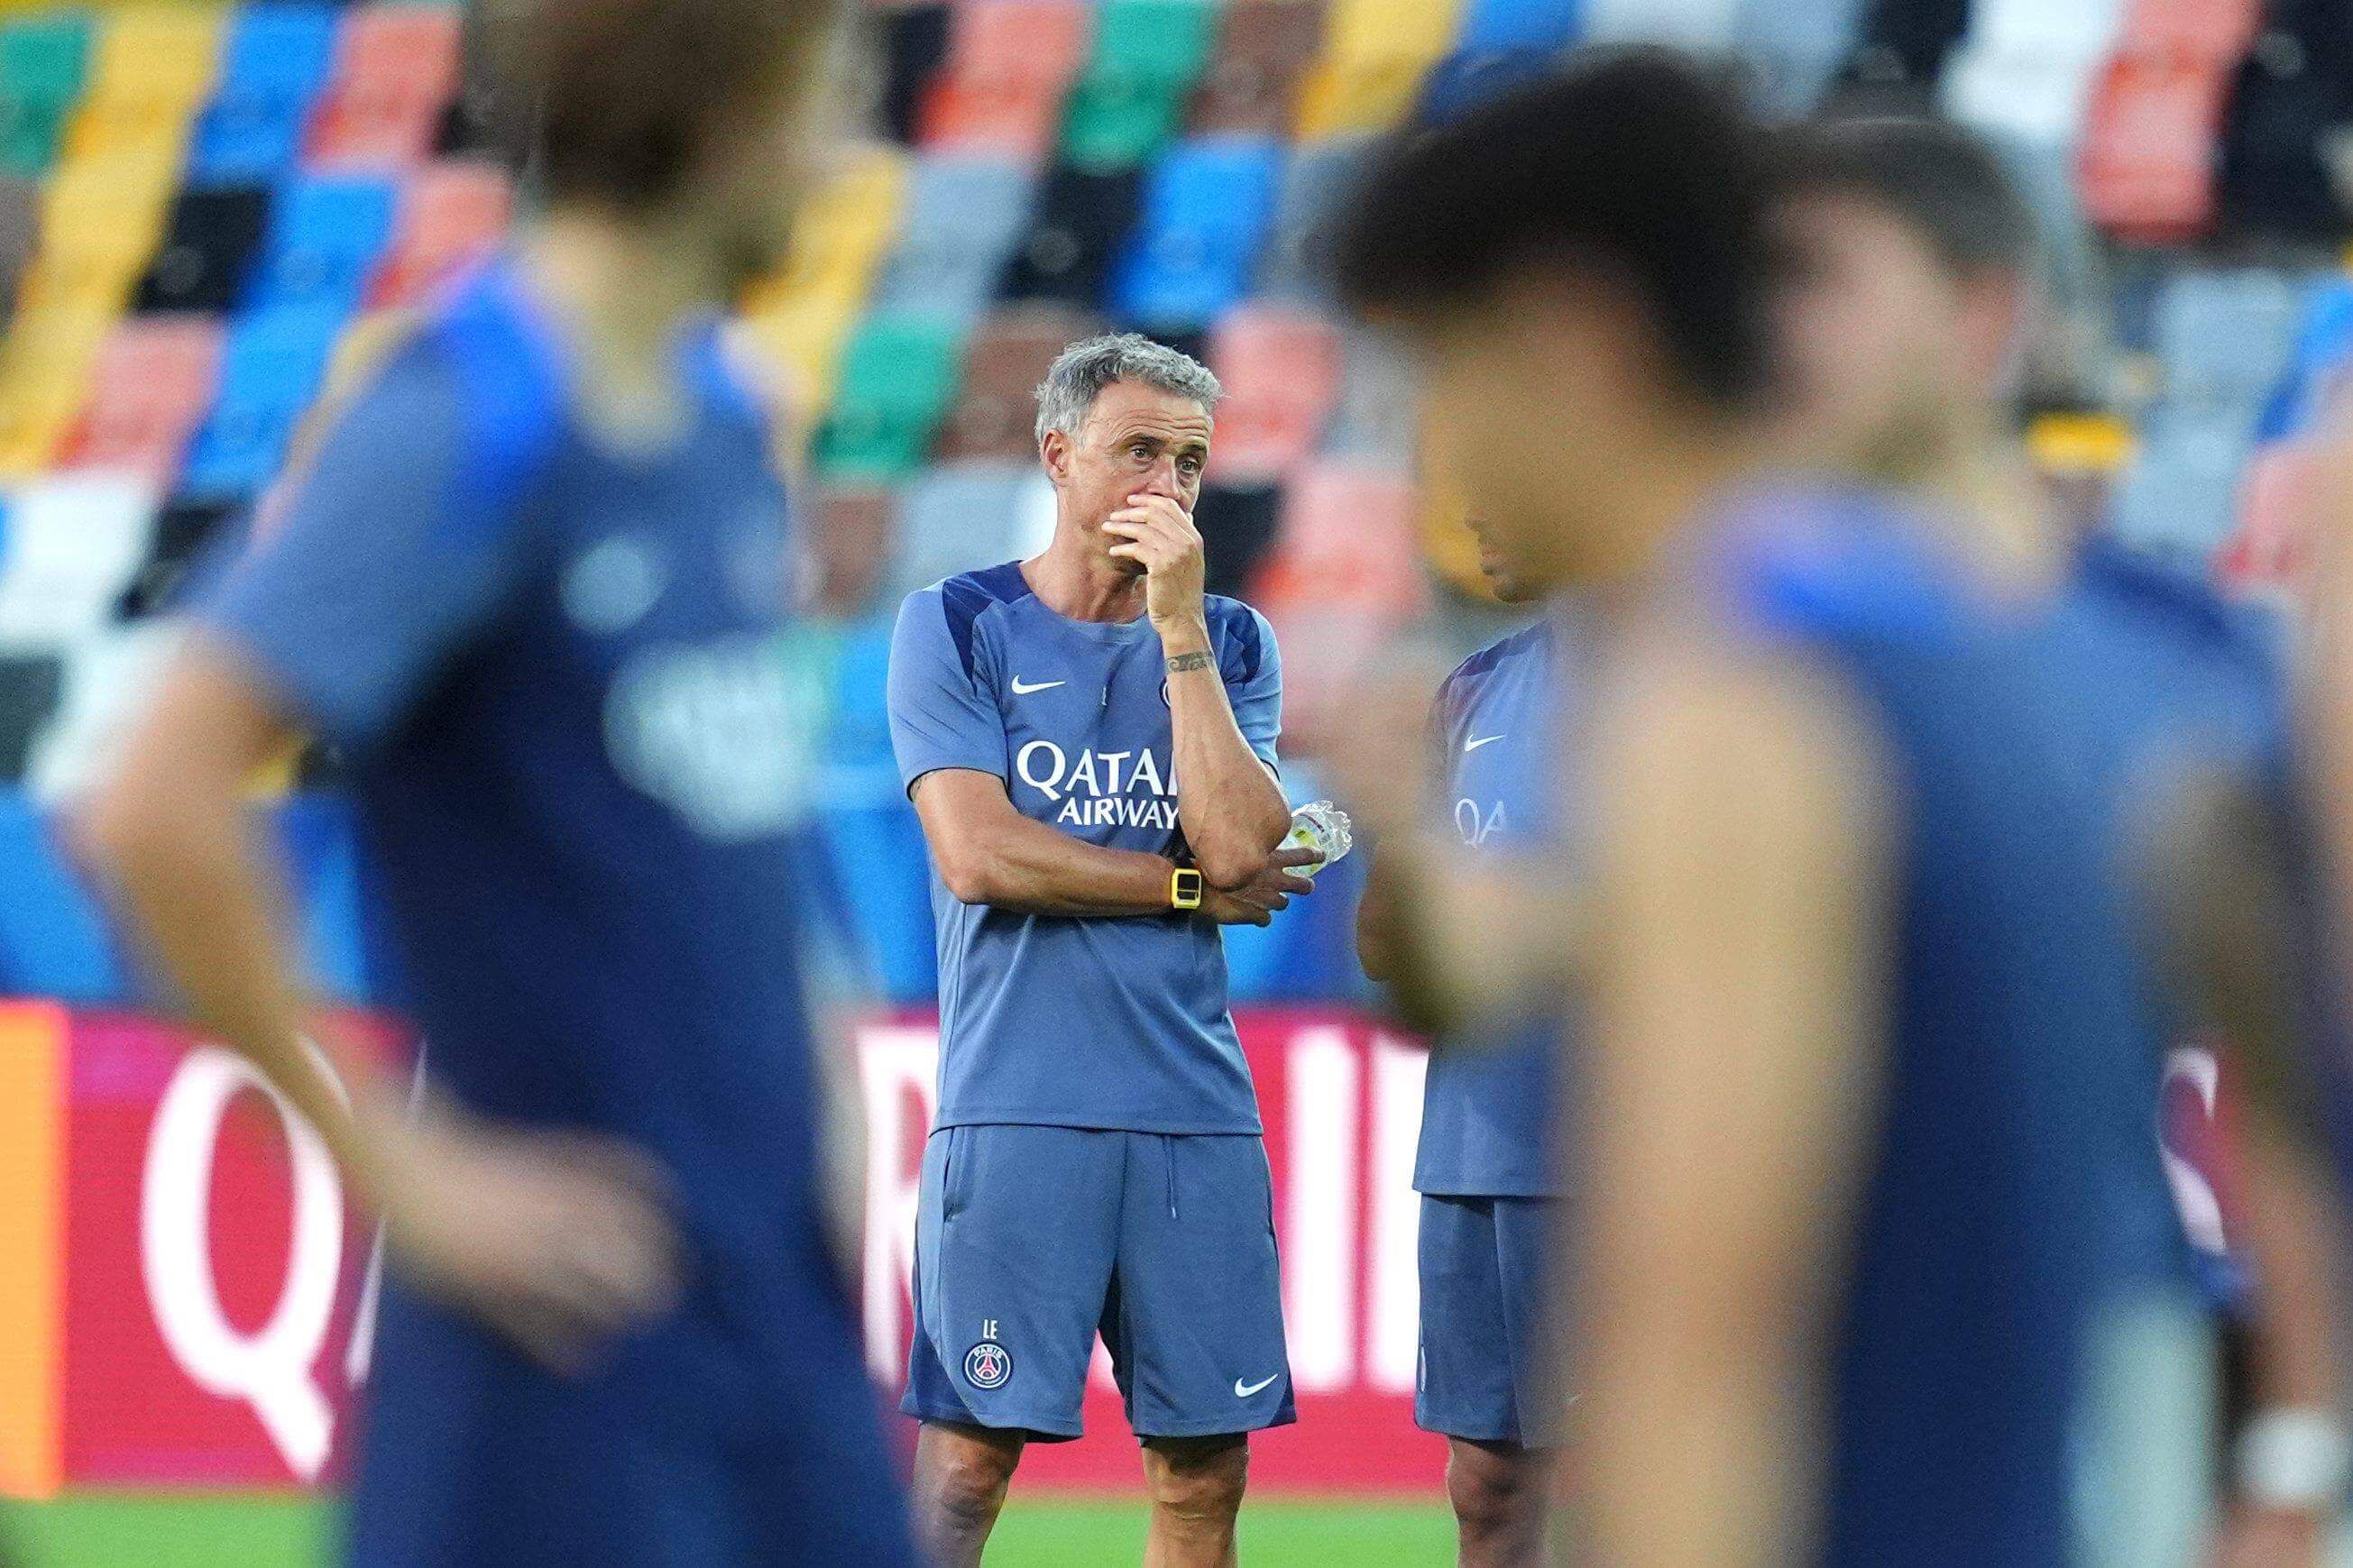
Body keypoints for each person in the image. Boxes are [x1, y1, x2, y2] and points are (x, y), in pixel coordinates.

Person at [1329, 50, 2209, 1563]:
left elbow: (1701, 1346)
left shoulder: (1720, 698)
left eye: (1447, 367)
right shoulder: (1931, 634)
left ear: (1572, 335)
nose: (1442, 444)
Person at [77, 2, 916, 1563]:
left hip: (775, 1311)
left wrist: (822, 1069)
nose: (847, 154)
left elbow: (731, 821)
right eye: (831, 99)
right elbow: (156, 804)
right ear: (726, 105)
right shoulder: (466, 418)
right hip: (567, 1344)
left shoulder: (726, 417)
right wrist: (400, 1170)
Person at [886, 333, 1313, 1567]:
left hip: (1194, 1115)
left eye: (1188, 461)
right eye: (1138, 452)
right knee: (965, 1466)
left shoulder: (1230, 641)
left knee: (1202, 1475)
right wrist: (1182, 883)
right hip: (1017, 1107)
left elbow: (1246, 850)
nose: (1167, 486)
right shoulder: (958, 621)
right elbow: (981, 854)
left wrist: (1176, 626)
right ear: (1057, 454)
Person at [1355, 518, 1569, 1567]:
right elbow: (1391, 951)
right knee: (1486, 1486)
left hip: (1603, 1149)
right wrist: (1388, 817)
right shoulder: (1472, 685)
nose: (1481, 513)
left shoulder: (1689, 675)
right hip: (1470, 1146)